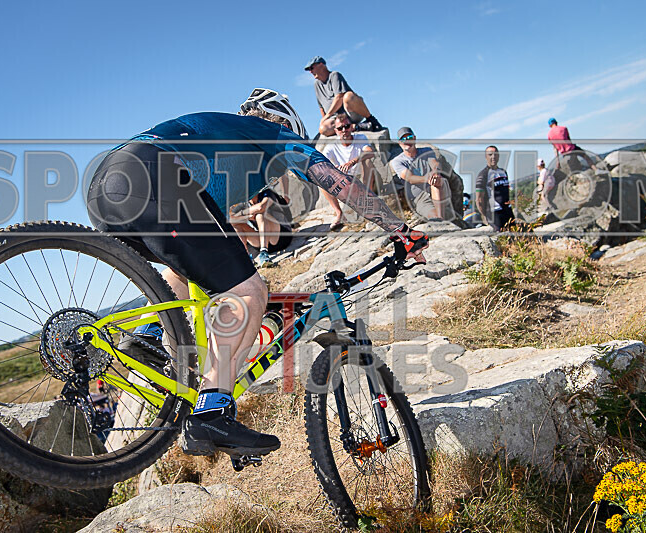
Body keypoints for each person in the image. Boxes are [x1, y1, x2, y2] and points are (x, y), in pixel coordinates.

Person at [86, 88, 428, 458]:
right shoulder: (273, 134)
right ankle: (212, 411)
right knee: (250, 292)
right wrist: (400, 230)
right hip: (155, 173)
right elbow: (336, 181)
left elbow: (209, 238)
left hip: (104, 186)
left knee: (182, 268)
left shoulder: (221, 141)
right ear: (280, 121)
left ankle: (149, 335)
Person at [389, 127, 464, 222]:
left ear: (414, 138)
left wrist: (435, 173)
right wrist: (427, 178)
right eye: (403, 139)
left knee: (439, 181)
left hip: (438, 190)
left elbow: (434, 163)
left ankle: (441, 221)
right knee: (433, 215)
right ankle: (439, 220)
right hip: (420, 197)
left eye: (409, 137)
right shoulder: (398, 161)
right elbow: (410, 178)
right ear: (399, 143)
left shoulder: (426, 151)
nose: (407, 141)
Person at [320, 113, 376, 230]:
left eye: (347, 126)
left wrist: (352, 162)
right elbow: (322, 164)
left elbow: (370, 152)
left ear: (351, 127)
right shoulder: (331, 147)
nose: (344, 130)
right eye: (340, 128)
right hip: (344, 182)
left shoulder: (360, 138)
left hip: (361, 178)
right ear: (336, 130)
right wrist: (335, 169)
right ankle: (339, 213)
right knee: (321, 180)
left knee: (368, 162)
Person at [304, 56, 383, 136]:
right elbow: (321, 107)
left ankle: (372, 120)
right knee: (323, 129)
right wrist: (324, 120)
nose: (310, 71)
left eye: (312, 68)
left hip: (350, 113)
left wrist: (327, 115)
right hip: (336, 119)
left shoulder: (334, 75)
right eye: (309, 70)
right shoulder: (316, 85)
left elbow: (339, 97)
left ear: (321, 64)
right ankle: (355, 127)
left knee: (348, 96)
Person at [229, 188, 293, 267]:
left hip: (281, 237)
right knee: (236, 225)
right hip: (263, 241)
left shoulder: (267, 193)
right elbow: (231, 220)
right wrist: (247, 217)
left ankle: (264, 253)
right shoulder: (244, 203)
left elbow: (261, 207)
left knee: (260, 215)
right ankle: (247, 258)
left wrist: (242, 213)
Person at [475, 145, 514, 230]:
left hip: (508, 211)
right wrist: (485, 216)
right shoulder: (483, 175)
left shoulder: (503, 172)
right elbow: (479, 199)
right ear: (486, 157)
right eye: (490, 155)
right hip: (495, 214)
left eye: (495, 154)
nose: (493, 157)